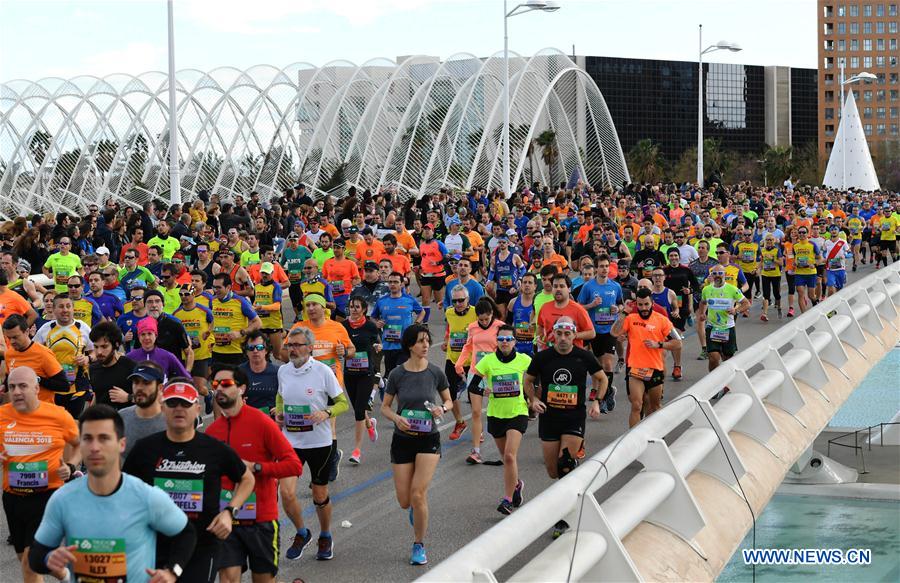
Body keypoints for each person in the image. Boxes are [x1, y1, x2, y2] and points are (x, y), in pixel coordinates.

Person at [30, 404, 197, 583]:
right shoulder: (62, 499)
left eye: (104, 438)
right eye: (87, 438)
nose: (95, 447)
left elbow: (186, 534)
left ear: (121, 444)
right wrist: (49, 559)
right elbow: (36, 556)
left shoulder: (146, 497)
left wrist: (172, 572)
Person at [124, 379, 255, 583]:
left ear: (198, 409)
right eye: (172, 403)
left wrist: (230, 512)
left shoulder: (214, 449)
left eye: (185, 404)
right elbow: (125, 491)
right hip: (155, 544)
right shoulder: (144, 448)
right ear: (163, 408)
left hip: (202, 546)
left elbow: (247, 479)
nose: (179, 409)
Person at [206, 364, 303, 582]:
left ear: (241, 388)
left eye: (226, 383)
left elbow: (294, 465)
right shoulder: (212, 432)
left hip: (261, 519)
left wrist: (257, 467)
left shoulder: (262, 423)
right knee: (228, 578)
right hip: (226, 520)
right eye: (215, 384)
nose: (219, 388)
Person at [523, 317, 606, 539]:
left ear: (573, 335)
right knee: (553, 471)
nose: (562, 339)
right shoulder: (542, 357)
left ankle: (564, 517)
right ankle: (573, 469)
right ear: (553, 335)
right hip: (550, 418)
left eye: (567, 334)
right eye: (558, 334)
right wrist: (532, 401)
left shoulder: (583, 356)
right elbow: (528, 380)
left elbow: (602, 378)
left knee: (565, 465)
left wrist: (596, 400)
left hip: (574, 417)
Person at [380, 323, 452, 566]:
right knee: (404, 500)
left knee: (418, 494)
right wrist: (397, 419)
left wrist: (441, 409)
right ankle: (414, 507)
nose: (425, 345)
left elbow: (449, 401)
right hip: (402, 440)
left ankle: (418, 544)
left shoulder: (435, 372)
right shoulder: (397, 374)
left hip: (428, 438)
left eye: (427, 341)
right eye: (420, 341)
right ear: (410, 345)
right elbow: (385, 407)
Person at [1, 367, 80, 583]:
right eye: (12, 387)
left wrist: (71, 466)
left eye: (22, 386)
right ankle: (69, 576)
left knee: (29, 560)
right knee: (29, 560)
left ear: (36, 388)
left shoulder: (58, 415)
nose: (16, 391)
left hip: (48, 497)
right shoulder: (2, 416)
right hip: (13, 497)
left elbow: (78, 444)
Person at [277, 327, 350, 562]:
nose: (293, 349)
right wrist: (279, 411)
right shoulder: (284, 372)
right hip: (291, 441)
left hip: (319, 442)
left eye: (298, 345)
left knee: (319, 495)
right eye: (290, 345)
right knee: (286, 493)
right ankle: (302, 532)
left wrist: (326, 413)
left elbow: (342, 403)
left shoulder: (322, 371)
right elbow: (281, 396)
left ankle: (325, 535)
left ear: (310, 347)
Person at [466, 324, 531, 515]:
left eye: (508, 339)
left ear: (514, 341)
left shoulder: (524, 360)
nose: (504, 343)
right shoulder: (488, 361)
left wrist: (533, 398)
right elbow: (473, 384)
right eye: (501, 339)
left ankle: (508, 500)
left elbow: (536, 378)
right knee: (506, 459)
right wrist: (483, 390)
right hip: (496, 415)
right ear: (497, 342)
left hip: (518, 412)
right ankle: (517, 484)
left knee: (510, 456)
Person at [610, 288, 683, 427]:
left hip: (655, 368)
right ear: (636, 304)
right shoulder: (630, 318)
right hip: (635, 368)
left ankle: (654, 435)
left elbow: (678, 343)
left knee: (654, 407)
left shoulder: (662, 320)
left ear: (652, 303)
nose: (643, 308)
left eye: (646, 304)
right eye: (640, 305)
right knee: (636, 405)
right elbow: (614, 332)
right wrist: (624, 312)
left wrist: (659, 344)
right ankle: (633, 441)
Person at [454, 297, 504, 464]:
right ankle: (476, 451)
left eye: (486, 319)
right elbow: (468, 346)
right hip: (476, 373)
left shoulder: (500, 327)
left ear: (492, 315)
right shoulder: (473, 327)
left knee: (497, 413)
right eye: (480, 319)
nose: (483, 322)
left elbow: (507, 350)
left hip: (494, 375)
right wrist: (459, 363)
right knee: (476, 412)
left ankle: (505, 450)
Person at [577, 254, 623, 409]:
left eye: (606, 266)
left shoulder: (615, 286)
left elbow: (621, 305)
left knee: (608, 364)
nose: (604, 269)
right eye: (601, 266)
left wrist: (617, 309)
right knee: (598, 365)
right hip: (594, 331)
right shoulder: (588, 287)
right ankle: (609, 391)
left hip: (609, 331)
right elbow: (579, 307)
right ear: (596, 268)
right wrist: (591, 305)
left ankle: (602, 398)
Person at [341, 296, 381, 464]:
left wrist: (378, 347)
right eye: (351, 307)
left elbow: (378, 343)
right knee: (358, 406)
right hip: (349, 373)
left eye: (357, 307)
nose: (354, 310)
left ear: (364, 309)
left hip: (366, 373)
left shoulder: (371, 326)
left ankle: (357, 450)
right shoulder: (342, 326)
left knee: (358, 410)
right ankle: (369, 423)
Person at [698, 265, 751, 373]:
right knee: (713, 357)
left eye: (720, 273)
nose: (717, 276)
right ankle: (714, 381)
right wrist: (702, 313)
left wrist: (736, 310)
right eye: (715, 273)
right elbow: (703, 302)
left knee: (727, 359)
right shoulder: (706, 290)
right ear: (711, 275)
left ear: (725, 275)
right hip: (712, 327)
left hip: (727, 327)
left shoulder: (732, 289)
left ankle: (727, 383)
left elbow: (746, 303)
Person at [372, 272, 424, 376]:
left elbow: (422, 312)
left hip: (405, 344)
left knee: (403, 373)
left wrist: (416, 324)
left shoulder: (409, 299)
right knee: (390, 375)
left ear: (401, 284)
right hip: (388, 344)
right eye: (390, 282)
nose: (392, 284)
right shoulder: (382, 301)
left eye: (395, 282)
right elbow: (373, 317)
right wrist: (377, 323)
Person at [211, 272, 262, 367]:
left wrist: (241, 333)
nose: (215, 290)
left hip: (237, 353)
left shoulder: (241, 301)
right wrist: (208, 332)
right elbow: (215, 319)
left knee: (237, 381)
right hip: (217, 351)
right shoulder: (213, 301)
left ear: (228, 287)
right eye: (214, 287)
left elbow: (258, 323)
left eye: (219, 287)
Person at [119, 361, 168, 459]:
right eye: (136, 382)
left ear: (160, 387)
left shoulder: (171, 422)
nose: (139, 388)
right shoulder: (120, 418)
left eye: (146, 382)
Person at [173, 284, 214, 395]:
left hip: (201, 355)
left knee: (200, 388)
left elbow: (214, 322)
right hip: (184, 355)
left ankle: (209, 395)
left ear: (194, 294)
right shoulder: (176, 314)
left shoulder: (204, 311)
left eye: (187, 294)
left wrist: (208, 332)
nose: (183, 297)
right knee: (186, 388)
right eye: (181, 294)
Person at [88, 321, 137, 409]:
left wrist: (128, 397)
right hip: (102, 420)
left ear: (116, 345)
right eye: (96, 347)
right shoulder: (93, 368)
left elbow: (148, 397)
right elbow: (98, 395)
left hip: (124, 420)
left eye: (104, 347)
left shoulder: (131, 367)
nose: (99, 352)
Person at [126, 317, 192, 381]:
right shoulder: (130, 357)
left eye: (149, 334)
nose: (146, 338)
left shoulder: (168, 356)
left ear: (156, 335)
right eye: (143, 334)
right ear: (138, 337)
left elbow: (186, 378)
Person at [237, 330, 280, 415]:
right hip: (247, 419)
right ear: (246, 351)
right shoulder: (238, 372)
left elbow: (289, 397)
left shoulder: (278, 372)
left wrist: (280, 408)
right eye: (251, 348)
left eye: (260, 347)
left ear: (266, 350)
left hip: (272, 421)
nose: (255, 351)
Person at [253, 262, 286, 360]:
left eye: (266, 273)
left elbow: (277, 306)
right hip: (261, 325)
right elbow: (256, 301)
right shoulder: (257, 286)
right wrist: (253, 306)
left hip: (273, 325)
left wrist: (261, 307)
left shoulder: (276, 287)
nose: (264, 275)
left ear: (272, 273)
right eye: (262, 273)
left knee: (277, 355)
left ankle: (292, 369)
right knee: (263, 354)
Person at [758, 234, 783, 321]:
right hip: (765, 274)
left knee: (776, 294)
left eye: (771, 240)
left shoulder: (777, 250)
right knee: (766, 294)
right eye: (767, 240)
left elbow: (781, 263)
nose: (769, 241)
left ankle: (779, 308)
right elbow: (761, 262)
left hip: (775, 275)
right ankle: (764, 314)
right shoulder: (762, 250)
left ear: (774, 241)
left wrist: (772, 259)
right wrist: (756, 269)